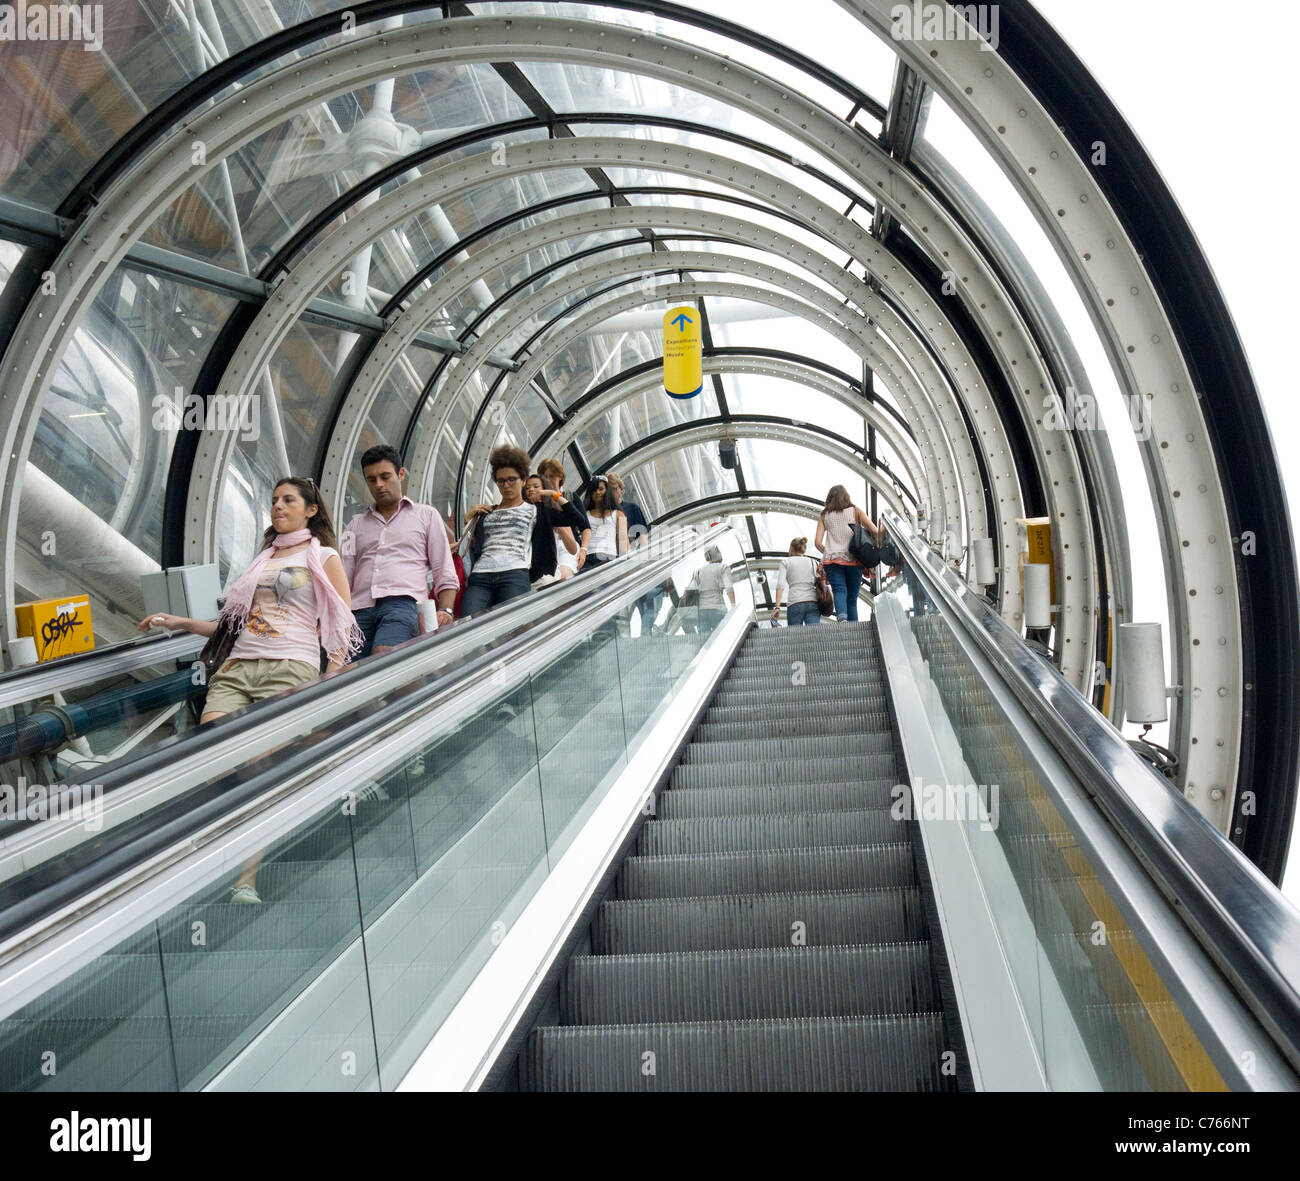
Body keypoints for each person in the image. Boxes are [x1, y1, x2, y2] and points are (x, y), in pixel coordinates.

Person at [138, 476, 360, 904]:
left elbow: (342, 624)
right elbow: (231, 625)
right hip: (238, 668)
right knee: (217, 761)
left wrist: (331, 677)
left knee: (256, 771)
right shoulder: (262, 559)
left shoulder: (325, 556)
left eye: (288, 500)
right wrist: (181, 623)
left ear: (311, 509)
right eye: (274, 500)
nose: (277, 506)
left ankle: (245, 877)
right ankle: (219, 853)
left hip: (289, 669)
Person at [339, 445, 459, 656]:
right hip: (358, 609)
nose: (379, 485)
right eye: (371, 479)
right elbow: (343, 576)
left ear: (401, 474)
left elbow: (444, 569)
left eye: (385, 477)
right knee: (347, 672)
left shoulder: (426, 516)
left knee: (385, 655)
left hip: (403, 602)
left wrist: (446, 609)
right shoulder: (354, 526)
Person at [461, 444, 588, 612]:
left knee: (513, 629)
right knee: (469, 626)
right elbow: (472, 545)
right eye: (501, 481)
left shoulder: (536, 511)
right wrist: (468, 519)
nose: (506, 485)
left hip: (514, 574)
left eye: (511, 479)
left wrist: (553, 494)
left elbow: (577, 519)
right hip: (480, 576)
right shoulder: (486, 512)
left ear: (523, 480)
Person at [815, 484, 881, 622]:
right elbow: (875, 531)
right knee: (851, 598)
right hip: (854, 559)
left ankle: (842, 619)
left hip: (831, 560)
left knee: (839, 589)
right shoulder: (856, 512)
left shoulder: (824, 515)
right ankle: (854, 627)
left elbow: (818, 542)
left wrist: (829, 552)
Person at [607, 471, 661, 633]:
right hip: (613, 565)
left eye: (615, 488)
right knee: (622, 608)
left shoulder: (632, 508)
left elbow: (643, 536)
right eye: (609, 489)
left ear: (621, 490)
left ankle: (645, 633)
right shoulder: (604, 513)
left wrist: (644, 560)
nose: (612, 492)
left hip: (632, 562)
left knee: (646, 603)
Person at [537, 457, 589, 579]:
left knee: (562, 576)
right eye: (545, 477)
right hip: (547, 544)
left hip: (568, 546)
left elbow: (585, 527)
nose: (548, 480)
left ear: (560, 477)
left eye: (552, 476)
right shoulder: (539, 500)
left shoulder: (570, 497)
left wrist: (583, 549)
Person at [581, 473, 628, 571]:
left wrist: (625, 566)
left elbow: (624, 544)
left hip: (609, 558)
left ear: (607, 490)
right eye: (594, 490)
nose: (597, 492)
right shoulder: (585, 514)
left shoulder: (619, 514)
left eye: (601, 489)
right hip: (588, 558)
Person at [771, 537, 821, 626]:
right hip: (812, 602)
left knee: (795, 637)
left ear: (791, 548)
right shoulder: (814, 562)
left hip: (795, 602)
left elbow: (780, 585)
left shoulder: (786, 562)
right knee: (814, 636)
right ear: (804, 549)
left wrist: (777, 607)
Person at [688, 546, 732, 630]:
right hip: (717, 607)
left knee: (705, 639)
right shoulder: (723, 567)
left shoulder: (699, 570)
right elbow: (729, 588)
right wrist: (733, 605)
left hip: (702, 611)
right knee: (720, 636)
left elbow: (691, 589)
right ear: (717, 553)